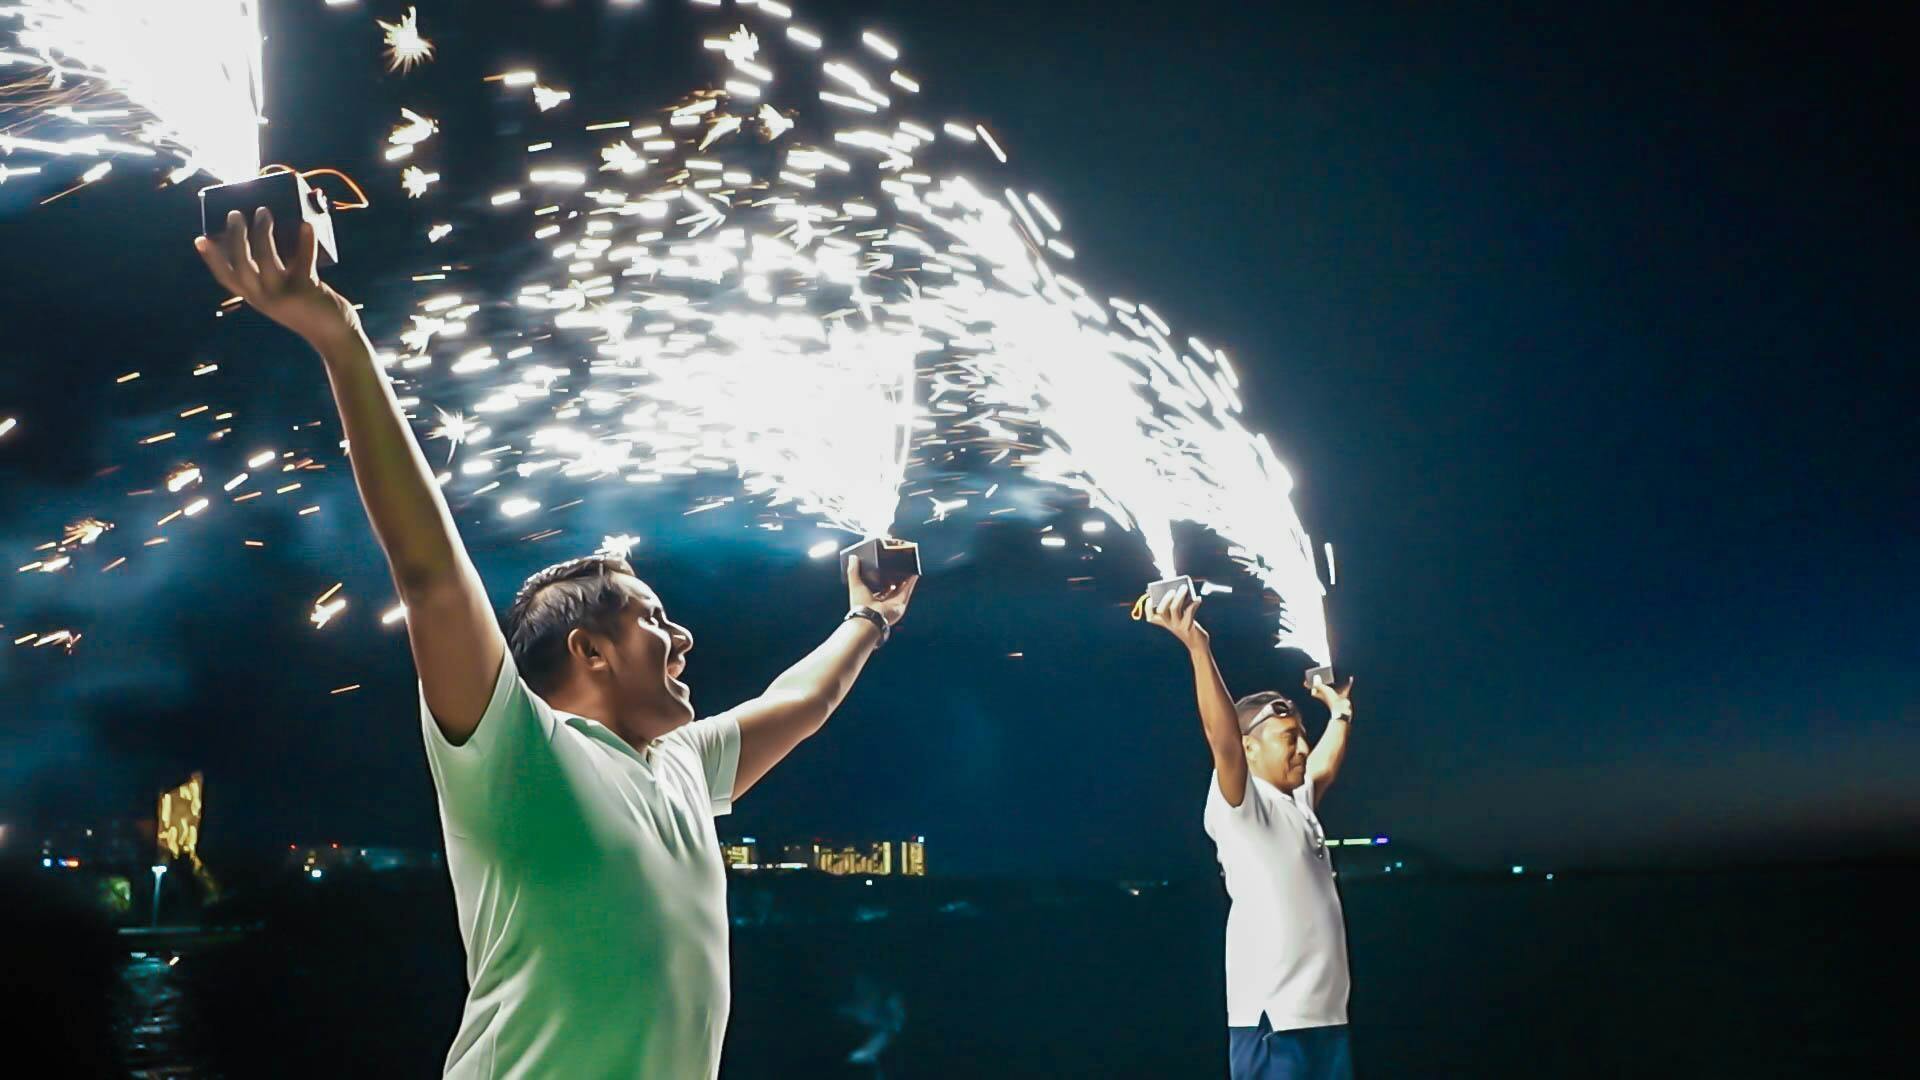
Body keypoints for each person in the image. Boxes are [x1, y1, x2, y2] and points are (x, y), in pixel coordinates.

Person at [195, 210, 920, 1077]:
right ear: (589, 651)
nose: (682, 635)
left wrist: (870, 618)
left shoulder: (682, 766)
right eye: (652, 617)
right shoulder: (515, 751)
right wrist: (340, 337)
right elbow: (430, 577)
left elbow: (801, 702)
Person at [1143, 584, 1359, 1080]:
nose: (1302, 748)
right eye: (1288, 738)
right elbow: (1221, 739)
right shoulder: (1242, 805)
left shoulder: (1297, 802)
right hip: (1272, 1024)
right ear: (1250, 748)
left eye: (1302, 736)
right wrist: (1198, 647)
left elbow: (1325, 764)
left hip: (1326, 1023)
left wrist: (1340, 710)